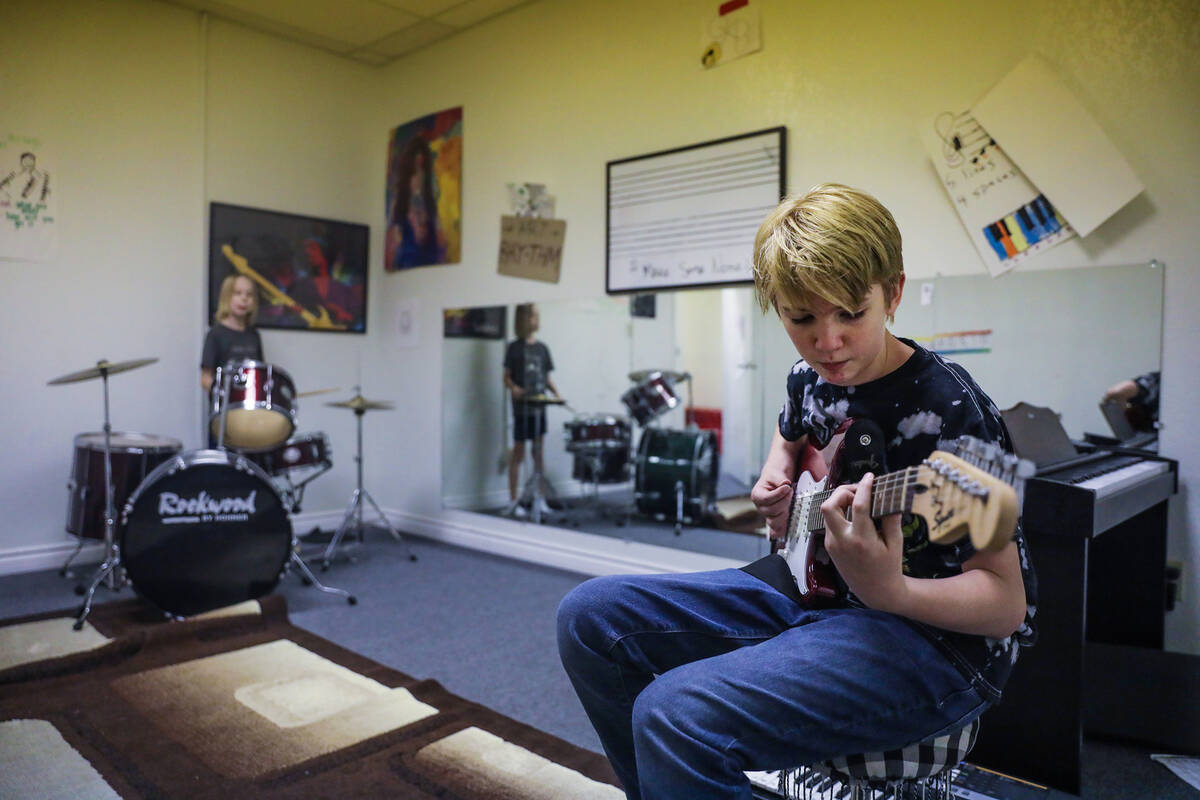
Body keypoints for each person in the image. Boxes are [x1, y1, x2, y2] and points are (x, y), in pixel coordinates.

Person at [556, 184, 1037, 800]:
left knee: (675, 715)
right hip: (816, 590)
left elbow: (1005, 605)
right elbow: (791, 438)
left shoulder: (953, 411)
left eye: (850, 314)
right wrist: (776, 477)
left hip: (933, 643)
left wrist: (889, 588)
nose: (826, 343)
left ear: (891, 293)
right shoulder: (807, 379)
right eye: (801, 318)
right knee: (588, 618)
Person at [504, 303, 559, 517]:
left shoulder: (543, 349)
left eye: (537, 315)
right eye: (533, 316)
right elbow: (506, 377)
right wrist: (514, 389)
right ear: (524, 319)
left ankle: (539, 498)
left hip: (539, 408)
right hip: (521, 408)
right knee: (518, 453)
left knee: (538, 454)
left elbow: (547, 379)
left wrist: (557, 394)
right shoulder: (514, 348)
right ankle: (513, 500)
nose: (536, 320)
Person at [201, 273, 263, 395]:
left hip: (250, 404)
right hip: (224, 408)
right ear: (226, 297)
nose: (244, 299)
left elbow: (260, 373)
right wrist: (225, 394)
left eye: (249, 294)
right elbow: (205, 378)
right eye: (237, 293)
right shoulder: (215, 334)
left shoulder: (254, 335)